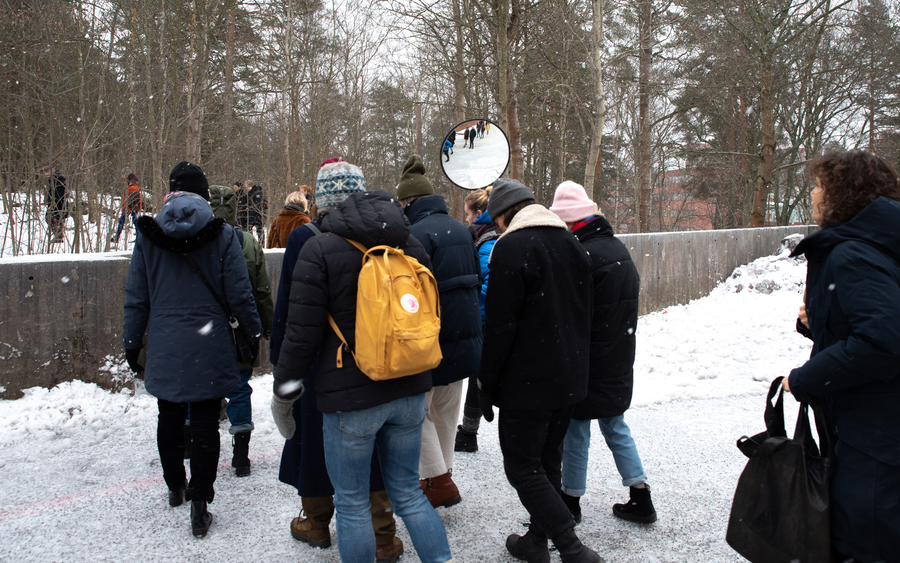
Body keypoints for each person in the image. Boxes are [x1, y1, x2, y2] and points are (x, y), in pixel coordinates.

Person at [271, 163, 454, 563]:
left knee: (352, 503)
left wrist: (283, 394)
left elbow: (299, 335)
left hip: (350, 396)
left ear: (324, 203)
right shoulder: (408, 243)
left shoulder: (318, 248)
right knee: (408, 494)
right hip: (409, 387)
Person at [122, 161, 262, 538]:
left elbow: (137, 297)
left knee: (168, 414)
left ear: (169, 192)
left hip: (165, 342)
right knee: (205, 420)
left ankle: (175, 486)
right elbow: (240, 293)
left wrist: (132, 343)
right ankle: (200, 502)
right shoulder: (222, 234)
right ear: (204, 194)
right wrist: (252, 334)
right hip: (209, 341)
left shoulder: (148, 235)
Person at [782, 149, 900, 563]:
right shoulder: (880, 245)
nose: (814, 194)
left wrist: (804, 380)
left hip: (874, 440)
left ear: (841, 194)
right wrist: (816, 322)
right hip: (880, 433)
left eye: (819, 186)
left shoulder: (853, 253)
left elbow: (882, 341)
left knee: (864, 543)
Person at [478, 178, 602, 563]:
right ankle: (536, 540)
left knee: (522, 467)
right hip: (569, 376)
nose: (496, 227)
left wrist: (486, 384)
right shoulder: (572, 243)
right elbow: (584, 314)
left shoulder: (511, 247)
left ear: (504, 215)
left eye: (496, 221)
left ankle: (571, 546)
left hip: (527, 382)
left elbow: (500, 326)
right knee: (548, 461)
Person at [549, 181, 657, 526]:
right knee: (615, 425)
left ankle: (570, 501)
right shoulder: (616, 248)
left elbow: (571, 315)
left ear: (570, 221)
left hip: (587, 360)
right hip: (618, 356)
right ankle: (641, 496)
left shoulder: (582, 255)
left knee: (576, 430)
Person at [397, 155, 482, 508]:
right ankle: (441, 477)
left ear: (408, 201)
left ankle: (439, 481)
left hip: (433, 340)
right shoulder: (461, 229)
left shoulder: (413, 235)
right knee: (446, 412)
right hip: (466, 337)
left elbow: (410, 296)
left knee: (414, 414)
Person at [208, 185, 274, 477]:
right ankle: (241, 457)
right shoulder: (247, 242)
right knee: (238, 388)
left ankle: (192, 445)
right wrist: (267, 325)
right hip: (239, 330)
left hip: (203, 330)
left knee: (199, 388)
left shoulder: (196, 241)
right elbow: (262, 291)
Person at [455, 187, 499, 453]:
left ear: (479, 213)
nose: (467, 219)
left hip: (484, 317)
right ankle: (468, 432)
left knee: (478, 375)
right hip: (485, 316)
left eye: (468, 214)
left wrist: (471, 298)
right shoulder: (487, 234)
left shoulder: (488, 241)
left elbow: (490, 283)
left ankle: (469, 432)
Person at [112, 167, 142, 244]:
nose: (122, 176)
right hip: (130, 206)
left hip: (131, 206)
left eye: (123, 174)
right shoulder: (130, 181)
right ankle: (117, 237)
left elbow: (134, 195)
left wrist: (129, 205)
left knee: (132, 221)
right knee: (130, 221)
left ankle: (139, 238)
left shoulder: (132, 182)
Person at [43, 168, 67, 243]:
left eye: (46, 173)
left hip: (58, 203)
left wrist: (54, 201)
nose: (45, 175)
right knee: (53, 219)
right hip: (54, 203)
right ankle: (58, 236)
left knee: (54, 219)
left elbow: (60, 193)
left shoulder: (58, 180)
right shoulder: (52, 180)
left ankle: (59, 236)